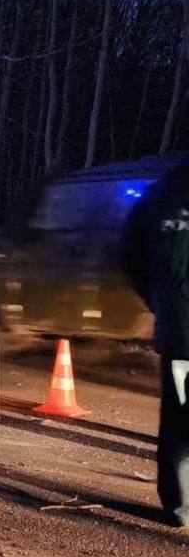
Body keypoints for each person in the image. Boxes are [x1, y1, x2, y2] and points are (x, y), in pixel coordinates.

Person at [120, 155, 189, 527]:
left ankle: (180, 506)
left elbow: (128, 256)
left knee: (179, 420)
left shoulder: (160, 194)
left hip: (180, 332)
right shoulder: (159, 195)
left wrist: (162, 301)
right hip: (181, 331)